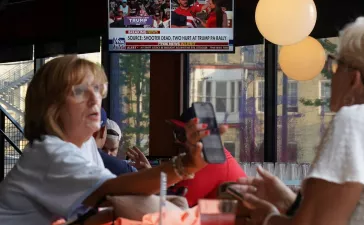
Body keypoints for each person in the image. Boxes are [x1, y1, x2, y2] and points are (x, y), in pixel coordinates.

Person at [0, 55, 219, 224]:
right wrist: (186, 164)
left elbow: (103, 206)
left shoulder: (84, 144)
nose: (95, 98)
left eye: (98, 89)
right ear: (52, 107)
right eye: (79, 91)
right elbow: (116, 191)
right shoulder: (50, 153)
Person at [236, 16, 364, 225]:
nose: (332, 76)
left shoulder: (358, 122)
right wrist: (291, 203)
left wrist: (268, 219)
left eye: (335, 65)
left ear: (354, 79)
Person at [169, 107, 246, 207]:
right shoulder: (215, 154)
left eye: (182, 135)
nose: (177, 141)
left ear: (203, 135)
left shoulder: (210, 159)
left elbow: (174, 204)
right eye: (177, 134)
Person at [94, 109, 139, 175]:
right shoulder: (126, 169)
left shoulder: (129, 165)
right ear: (102, 133)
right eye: (103, 148)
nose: (108, 153)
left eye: (113, 149)